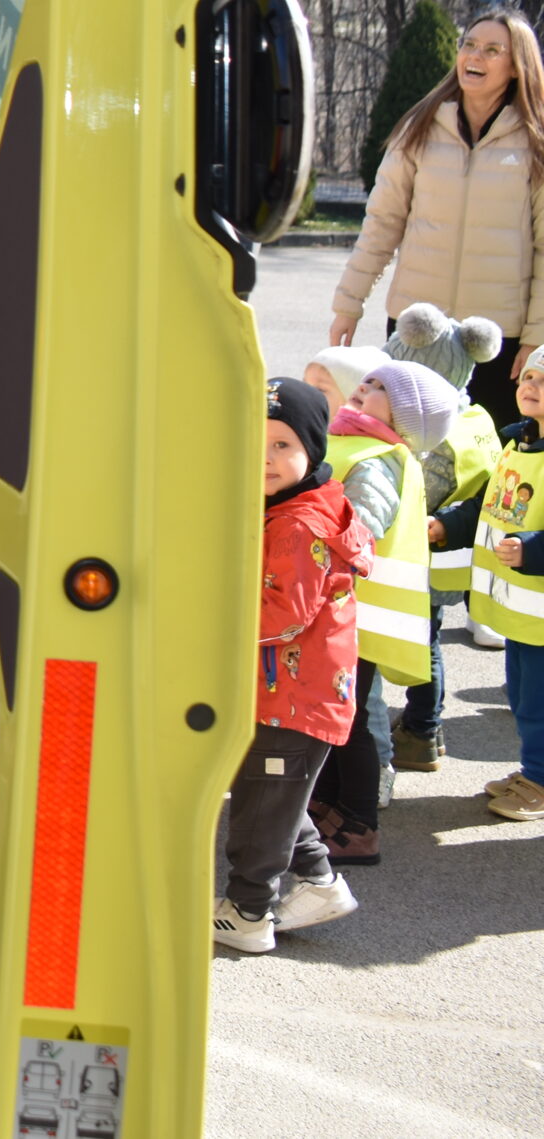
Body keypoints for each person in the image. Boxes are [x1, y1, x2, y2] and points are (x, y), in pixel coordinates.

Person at [330, 10, 544, 437]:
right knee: (408, 445)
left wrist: (535, 337)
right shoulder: (420, 127)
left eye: (492, 50)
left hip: (494, 340)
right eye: (469, 44)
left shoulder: (535, 141)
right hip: (416, 329)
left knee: (485, 450)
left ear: (516, 66)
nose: (474, 56)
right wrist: (348, 304)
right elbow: (381, 224)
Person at [216, 380, 366, 954]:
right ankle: (320, 885)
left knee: (259, 813)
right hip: (287, 693)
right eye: (256, 440)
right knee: (271, 800)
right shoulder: (288, 507)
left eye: (282, 445)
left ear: (313, 449)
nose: (266, 457)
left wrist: (207, 626)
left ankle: (250, 911)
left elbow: (284, 615)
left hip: (293, 699)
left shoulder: (298, 525)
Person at [313, 360, 458, 865]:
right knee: (334, 716)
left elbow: (362, 529)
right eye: (368, 380)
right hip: (338, 607)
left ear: (404, 418)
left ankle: (359, 825)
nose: (364, 387)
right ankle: (327, 806)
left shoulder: (377, 459)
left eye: (380, 388)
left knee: (347, 721)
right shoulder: (352, 443)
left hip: (349, 612)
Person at [378, 303, 505, 770]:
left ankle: (422, 731)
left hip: (420, 552)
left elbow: (416, 492)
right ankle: (425, 726)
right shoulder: (474, 417)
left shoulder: (428, 430)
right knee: (427, 636)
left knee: (422, 644)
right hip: (456, 554)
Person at [431, 344, 544, 822]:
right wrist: (447, 526)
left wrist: (532, 550)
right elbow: (487, 506)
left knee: (539, 704)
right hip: (518, 612)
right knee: (521, 698)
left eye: (543, 382)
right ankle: (532, 771)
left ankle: (539, 782)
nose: (531, 387)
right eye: (528, 378)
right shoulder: (516, 443)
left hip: (539, 616)